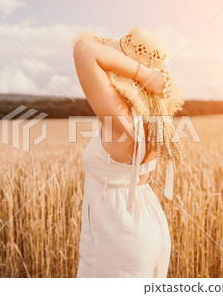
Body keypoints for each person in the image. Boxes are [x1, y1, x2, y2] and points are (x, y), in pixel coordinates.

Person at [72, 27, 185, 277]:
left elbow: (83, 49)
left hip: (118, 234)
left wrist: (144, 75)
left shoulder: (120, 116)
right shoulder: (155, 120)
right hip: (150, 225)